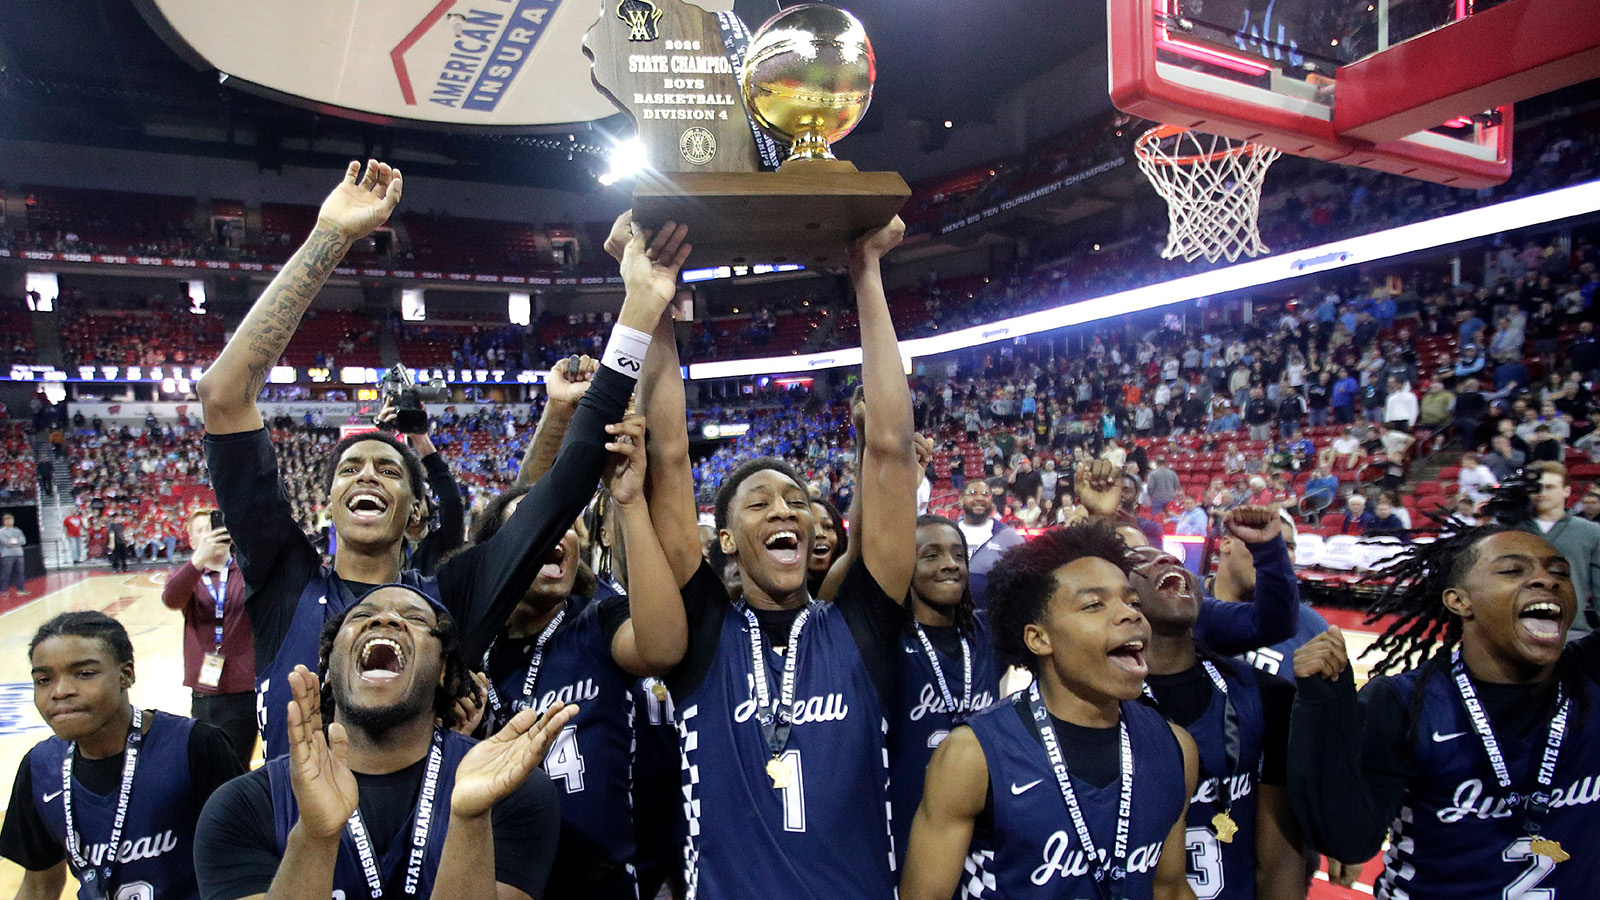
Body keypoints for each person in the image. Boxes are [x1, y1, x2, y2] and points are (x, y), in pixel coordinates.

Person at [197, 165, 684, 758]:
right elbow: (224, 395)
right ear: (325, 505)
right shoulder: (284, 583)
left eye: (389, 469)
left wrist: (639, 307)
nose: (368, 473)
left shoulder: (452, 595)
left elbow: (563, 486)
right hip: (304, 851)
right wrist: (329, 237)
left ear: (419, 513)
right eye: (349, 470)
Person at [632, 218, 918, 898]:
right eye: (759, 504)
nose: (785, 511)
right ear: (726, 540)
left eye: (794, 500)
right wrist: (658, 302)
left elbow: (891, 450)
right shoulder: (704, 631)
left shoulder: (862, 623)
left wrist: (867, 272)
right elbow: (669, 455)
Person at [194, 585, 570, 900]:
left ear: (444, 672)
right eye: (361, 615)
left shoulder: (510, 792)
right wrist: (314, 838)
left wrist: (469, 822)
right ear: (328, 667)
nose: (386, 619)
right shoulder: (240, 807)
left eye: (417, 618)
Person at [1288, 527, 1600, 897]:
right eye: (1513, 570)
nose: (1546, 580)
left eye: (1560, 572)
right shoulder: (1404, 702)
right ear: (1459, 600)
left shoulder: (1591, 676)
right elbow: (1351, 841)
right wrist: (1322, 705)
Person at [898, 522, 1198, 900]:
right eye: (1094, 605)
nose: (1130, 614)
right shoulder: (971, 756)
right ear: (1039, 638)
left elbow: (1169, 888)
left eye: (1132, 602)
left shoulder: (1176, 747)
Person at [471, 414, 685, 900]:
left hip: (602, 881)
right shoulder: (468, 650)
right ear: (497, 556)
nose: (558, 534)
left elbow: (664, 647)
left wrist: (628, 503)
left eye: (567, 525)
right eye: (537, 526)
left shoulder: (597, 621)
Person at [1, 612, 244, 900]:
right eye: (43, 679)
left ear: (126, 675)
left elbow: (246, 865)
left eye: (84, 673)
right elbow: (40, 886)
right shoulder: (39, 767)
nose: (61, 691)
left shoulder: (196, 746)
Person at [1127, 539, 1306, 899]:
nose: (1164, 558)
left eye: (1170, 557)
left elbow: (1281, 861)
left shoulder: (1265, 693)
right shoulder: (1097, 702)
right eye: (1136, 560)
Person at [887, 514, 999, 872]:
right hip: (907, 816)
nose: (950, 564)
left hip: (983, 824)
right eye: (931, 555)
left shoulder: (988, 632)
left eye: (958, 555)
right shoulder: (885, 641)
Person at [161, 509, 258, 768]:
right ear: (192, 541)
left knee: (237, 764)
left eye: (213, 527)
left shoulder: (247, 571)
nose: (209, 534)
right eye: (201, 531)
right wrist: (197, 562)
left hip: (243, 687)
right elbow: (171, 599)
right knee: (207, 764)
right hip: (204, 689)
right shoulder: (188, 577)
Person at [1514, 462, 1600, 634]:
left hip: (1572, 632)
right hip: (1516, 632)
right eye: (1537, 488)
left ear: (1567, 491)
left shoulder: (1591, 532)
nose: (1542, 493)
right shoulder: (1509, 530)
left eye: (1550, 487)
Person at [955, 479, 1025, 610]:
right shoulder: (947, 532)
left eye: (985, 494)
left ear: (991, 501)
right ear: (961, 500)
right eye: (972, 493)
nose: (979, 498)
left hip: (990, 621)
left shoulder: (1009, 537)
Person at [0, 513, 27, 597]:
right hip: (7, 555)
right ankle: (4, 591)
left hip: (19, 554)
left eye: (11, 520)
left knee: (20, 572)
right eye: (7, 520)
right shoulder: (1, 532)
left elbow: (23, 541)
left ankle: (20, 590)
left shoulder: (17, 530)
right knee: (6, 572)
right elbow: (5, 542)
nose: (9, 522)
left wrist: (14, 541)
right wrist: (15, 542)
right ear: (4, 522)